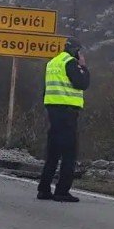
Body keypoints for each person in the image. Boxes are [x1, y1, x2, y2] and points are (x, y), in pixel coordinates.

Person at [37, 38, 91, 203]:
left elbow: (46, 89)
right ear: (76, 51)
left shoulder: (53, 62)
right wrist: (83, 67)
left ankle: (44, 189)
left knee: (53, 152)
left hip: (53, 111)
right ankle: (62, 191)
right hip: (67, 112)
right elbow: (82, 83)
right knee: (69, 153)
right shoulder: (70, 63)